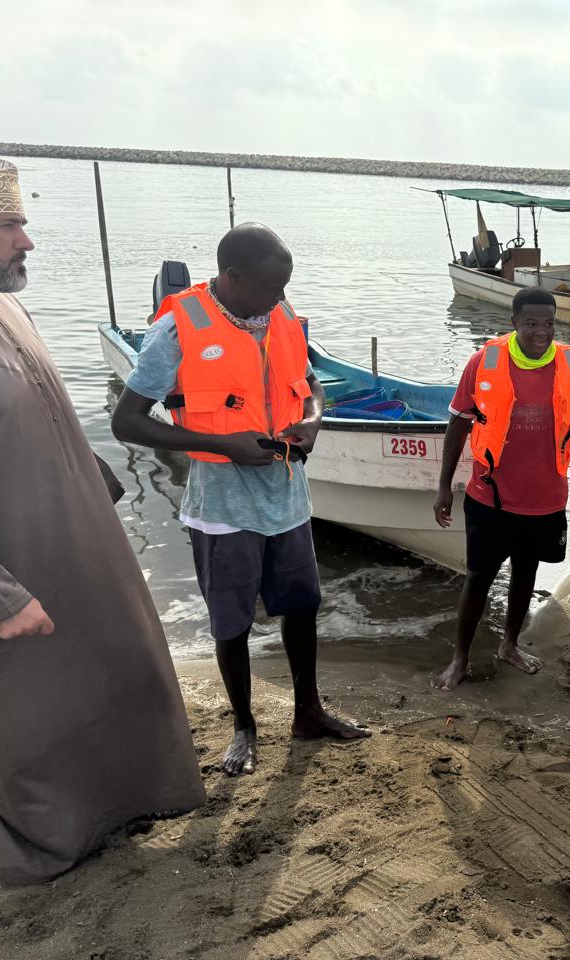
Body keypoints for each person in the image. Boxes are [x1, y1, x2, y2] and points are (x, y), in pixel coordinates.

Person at [0, 156, 203, 884]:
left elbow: (38, 406)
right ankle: (51, 847)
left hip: (74, 537)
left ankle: (128, 806)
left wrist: (92, 481)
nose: (27, 241)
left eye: (24, 223)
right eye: (8, 226)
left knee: (114, 671)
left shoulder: (6, 307)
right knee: (24, 714)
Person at [111, 223, 369, 776]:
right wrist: (222, 445)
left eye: (284, 287)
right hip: (222, 507)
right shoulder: (176, 330)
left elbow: (311, 385)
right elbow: (126, 422)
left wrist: (313, 421)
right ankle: (243, 729)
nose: (280, 298)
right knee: (231, 621)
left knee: (302, 606)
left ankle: (308, 712)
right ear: (233, 277)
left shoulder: (278, 314)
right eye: (271, 287)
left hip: (288, 497)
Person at [431, 286, 570, 691]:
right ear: (513, 322)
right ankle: (460, 658)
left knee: (526, 572)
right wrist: (443, 488)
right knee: (478, 577)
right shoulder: (484, 361)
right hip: (490, 497)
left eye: (549, 323)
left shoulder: (569, 362)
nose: (541, 332)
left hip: (545, 499)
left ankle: (509, 645)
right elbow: (457, 425)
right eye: (531, 323)